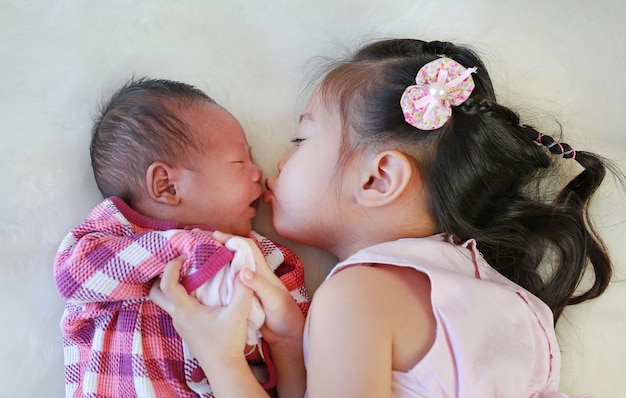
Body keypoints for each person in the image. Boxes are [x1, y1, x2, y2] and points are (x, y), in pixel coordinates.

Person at [150, 39, 619, 397]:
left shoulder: (359, 293)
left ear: (378, 179)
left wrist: (221, 358)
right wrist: (292, 344)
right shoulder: (510, 299)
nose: (277, 164)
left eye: (301, 141)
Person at [53, 78, 310, 398]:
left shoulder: (267, 258)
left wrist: (285, 341)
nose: (258, 172)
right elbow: (72, 278)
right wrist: (190, 248)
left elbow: (306, 367)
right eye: (240, 161)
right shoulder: (112, 233)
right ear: (167, 185)